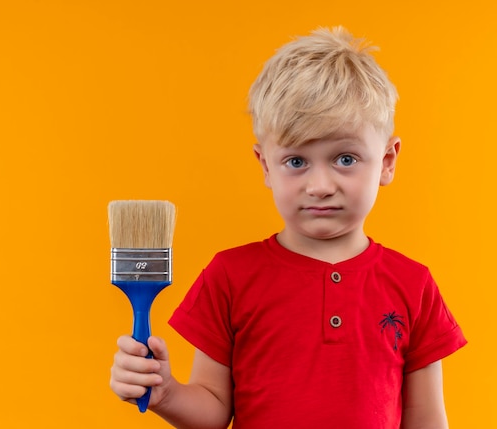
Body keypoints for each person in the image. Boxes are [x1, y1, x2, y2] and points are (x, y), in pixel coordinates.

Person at [110, 26, 467, 428]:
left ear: (387, 161)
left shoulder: (414, 284)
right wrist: (166, 393)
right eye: (296, 162)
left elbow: (427, 420)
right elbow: (212, 412)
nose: (320, 186)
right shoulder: (229, 277)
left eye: (345, 159)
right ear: (265, 165)